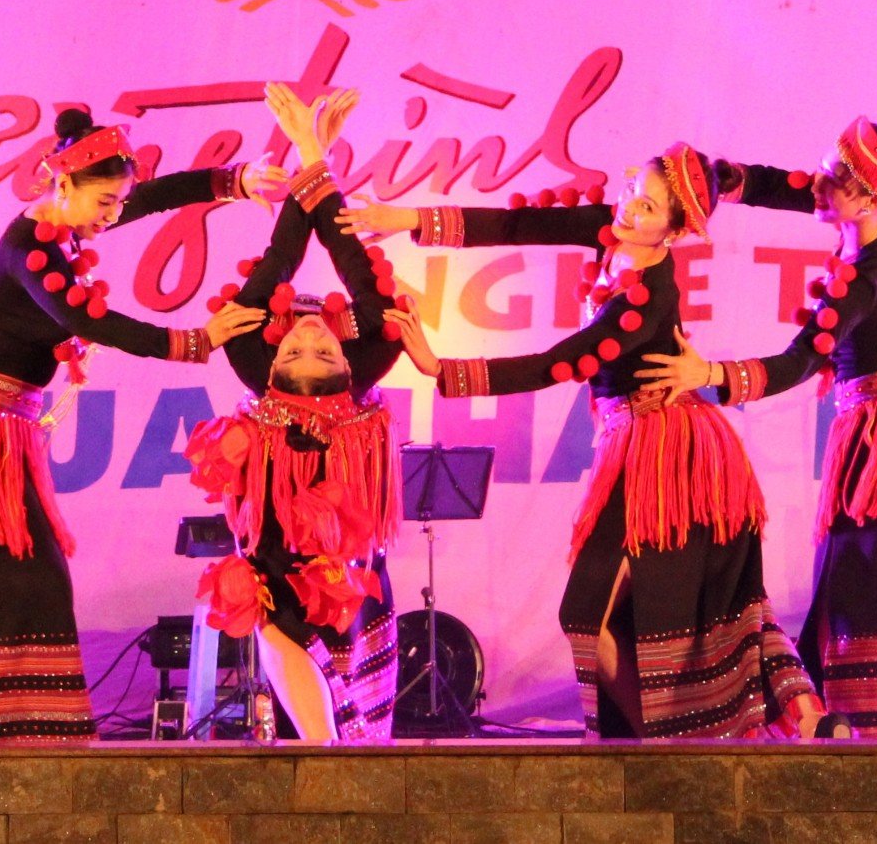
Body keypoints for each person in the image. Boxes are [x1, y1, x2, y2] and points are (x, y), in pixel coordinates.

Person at [345, 146, 824, 740]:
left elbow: (561, 361)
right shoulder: (612, 230)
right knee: (620, 617)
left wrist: (443, 370)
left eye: (647, 208)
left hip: (670, 454)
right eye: (633, 191)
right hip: (634, 442)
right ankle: (684, 744)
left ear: (674, 233)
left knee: (631, 612)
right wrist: (406, 219)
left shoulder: (646, 300)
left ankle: (710, 739)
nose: (629, 210)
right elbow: (519, 224)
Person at [0, 106, 278, 745]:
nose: (114, 214)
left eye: (118, 201)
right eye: (105, 201)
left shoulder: (68, 227)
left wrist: (234, 181)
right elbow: (89, 321)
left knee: (4, 581)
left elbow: (153, 197)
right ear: (64, 184)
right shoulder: (31, 249)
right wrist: (193, 340)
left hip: (3, 432)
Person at [643, 118, 877, 742]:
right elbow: (797, 186)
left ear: (867, 197)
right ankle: (847, 721)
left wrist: (711, 374)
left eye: (833, 179)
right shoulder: (876, 219)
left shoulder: (862, 277)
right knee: (858, 578)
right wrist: (738, 181)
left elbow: (802, 360)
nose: (818, 185)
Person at [184, 85, 404, 743]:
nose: (311, 336)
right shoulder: (289, 377)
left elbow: (320, 268)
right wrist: (312, 154)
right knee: (283, 636)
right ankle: (323, 753)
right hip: (278, 560)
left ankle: (336, 759)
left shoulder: (332, 378)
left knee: (355, 692)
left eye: (318, 343)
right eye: (305, 343)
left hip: (350, 563)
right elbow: (301, 265)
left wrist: (313, 154)